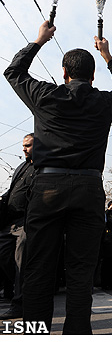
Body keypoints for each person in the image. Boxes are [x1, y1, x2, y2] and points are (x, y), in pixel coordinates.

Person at [4, 21, 112, 334]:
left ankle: (36, 335)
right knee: (80, 273)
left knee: (38, 270)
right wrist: (108, 55)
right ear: (92, 76)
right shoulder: (103, 103)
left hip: (48, 188)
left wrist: (39, 40)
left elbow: (14, 72)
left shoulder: (46, 96)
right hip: (89, 190)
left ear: (63, 73)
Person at [0, 133, 35, 320]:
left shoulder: (41, 168)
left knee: (21, 260)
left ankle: (19, 304)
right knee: (4, 255)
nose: (24, 148)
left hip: (26, 222)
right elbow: (12, 190)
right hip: (9, 222)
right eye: (23, 145)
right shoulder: (21, 166)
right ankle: (22, 284)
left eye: (28, 145)